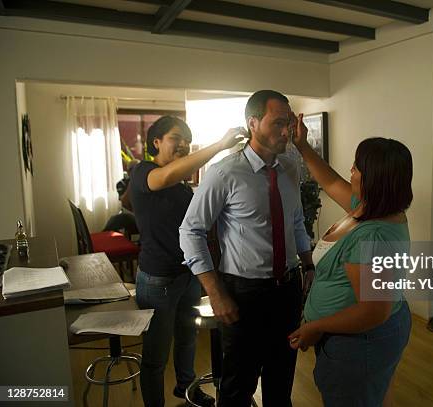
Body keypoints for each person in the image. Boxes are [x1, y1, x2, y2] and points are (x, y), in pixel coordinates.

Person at [179, 90, 314, 407]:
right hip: (245, 293)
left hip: (288, 290)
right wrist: (215, 292)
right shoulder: (224, 173)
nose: (287, 131)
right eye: (278, 123)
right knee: (238, 387)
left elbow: (295, 221)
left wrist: (308, 264)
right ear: (253, 123)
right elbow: (191, 231)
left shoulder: (290, 167)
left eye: (290, 123)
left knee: (281, 384)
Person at [288, 126, 412, 406]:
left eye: (357, 167)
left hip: (361, 343)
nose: (351, 171)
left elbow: (373, 311)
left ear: (374, 178)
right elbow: (330, 181)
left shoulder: (375, 234)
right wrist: (304, 147)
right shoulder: (366, 207)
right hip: (364, 337)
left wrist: (315, 327)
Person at [130, 115, 245, 407]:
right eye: (175, 138)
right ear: (156, 142)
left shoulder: (182, 186)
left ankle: (186, 390)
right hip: (157, 279)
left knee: (187, 340)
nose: (183, 144)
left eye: (187, 140)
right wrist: (219, 145)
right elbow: (165, 177)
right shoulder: (144, 172)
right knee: (156, 356)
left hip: (188, 275)